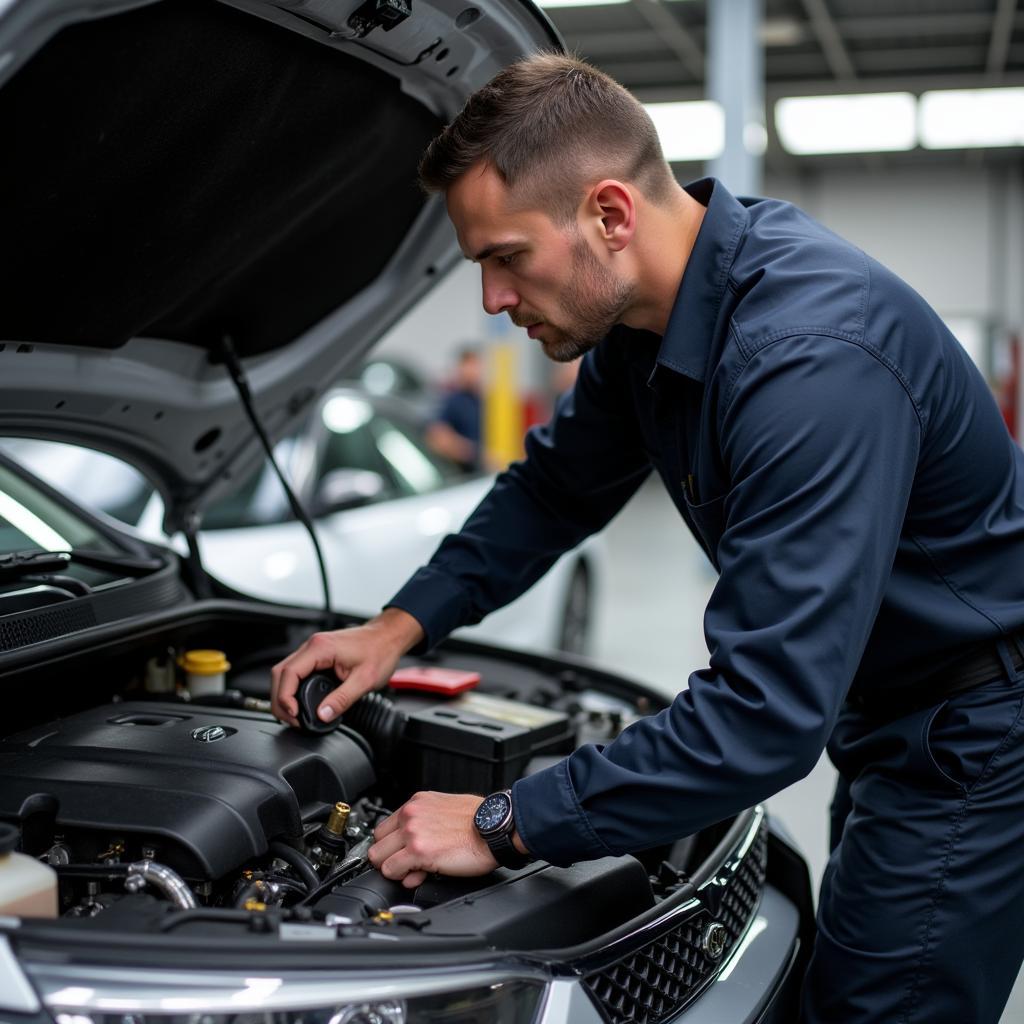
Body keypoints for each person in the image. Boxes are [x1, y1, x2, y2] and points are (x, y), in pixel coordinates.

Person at [271, 53, 1024, 1023]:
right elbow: (555, 489)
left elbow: (761, 715)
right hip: (888, 709)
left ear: (610, 215)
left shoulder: (807, 361)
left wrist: (502, 822)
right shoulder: (647, 323)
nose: (492, 302)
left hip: (975, 733)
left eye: (506, 257)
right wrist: (397, 626)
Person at [423, 346, 483, 471]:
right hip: (465, 473)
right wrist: (476, 455)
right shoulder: (452, 401)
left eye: (475, 365)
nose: (472, 371)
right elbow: (437, 438)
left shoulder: (483, 401)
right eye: (468, 365)